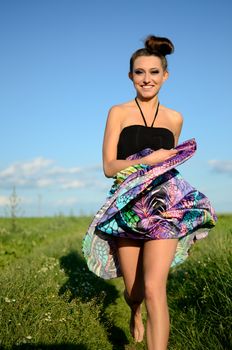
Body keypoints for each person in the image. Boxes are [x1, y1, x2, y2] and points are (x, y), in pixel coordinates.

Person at [82, 35, 217, 350]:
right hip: (128, 207)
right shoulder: (118, 112)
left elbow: (167, 167)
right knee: (135, 291)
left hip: (165, 207)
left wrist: (159, 164)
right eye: (140, 72)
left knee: (156, 288)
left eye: (154, 72)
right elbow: (108, 166)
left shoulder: (175, 118)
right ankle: (134, 311)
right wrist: (146, 159)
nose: (147, 79)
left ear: (165, 75)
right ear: (131, 76)